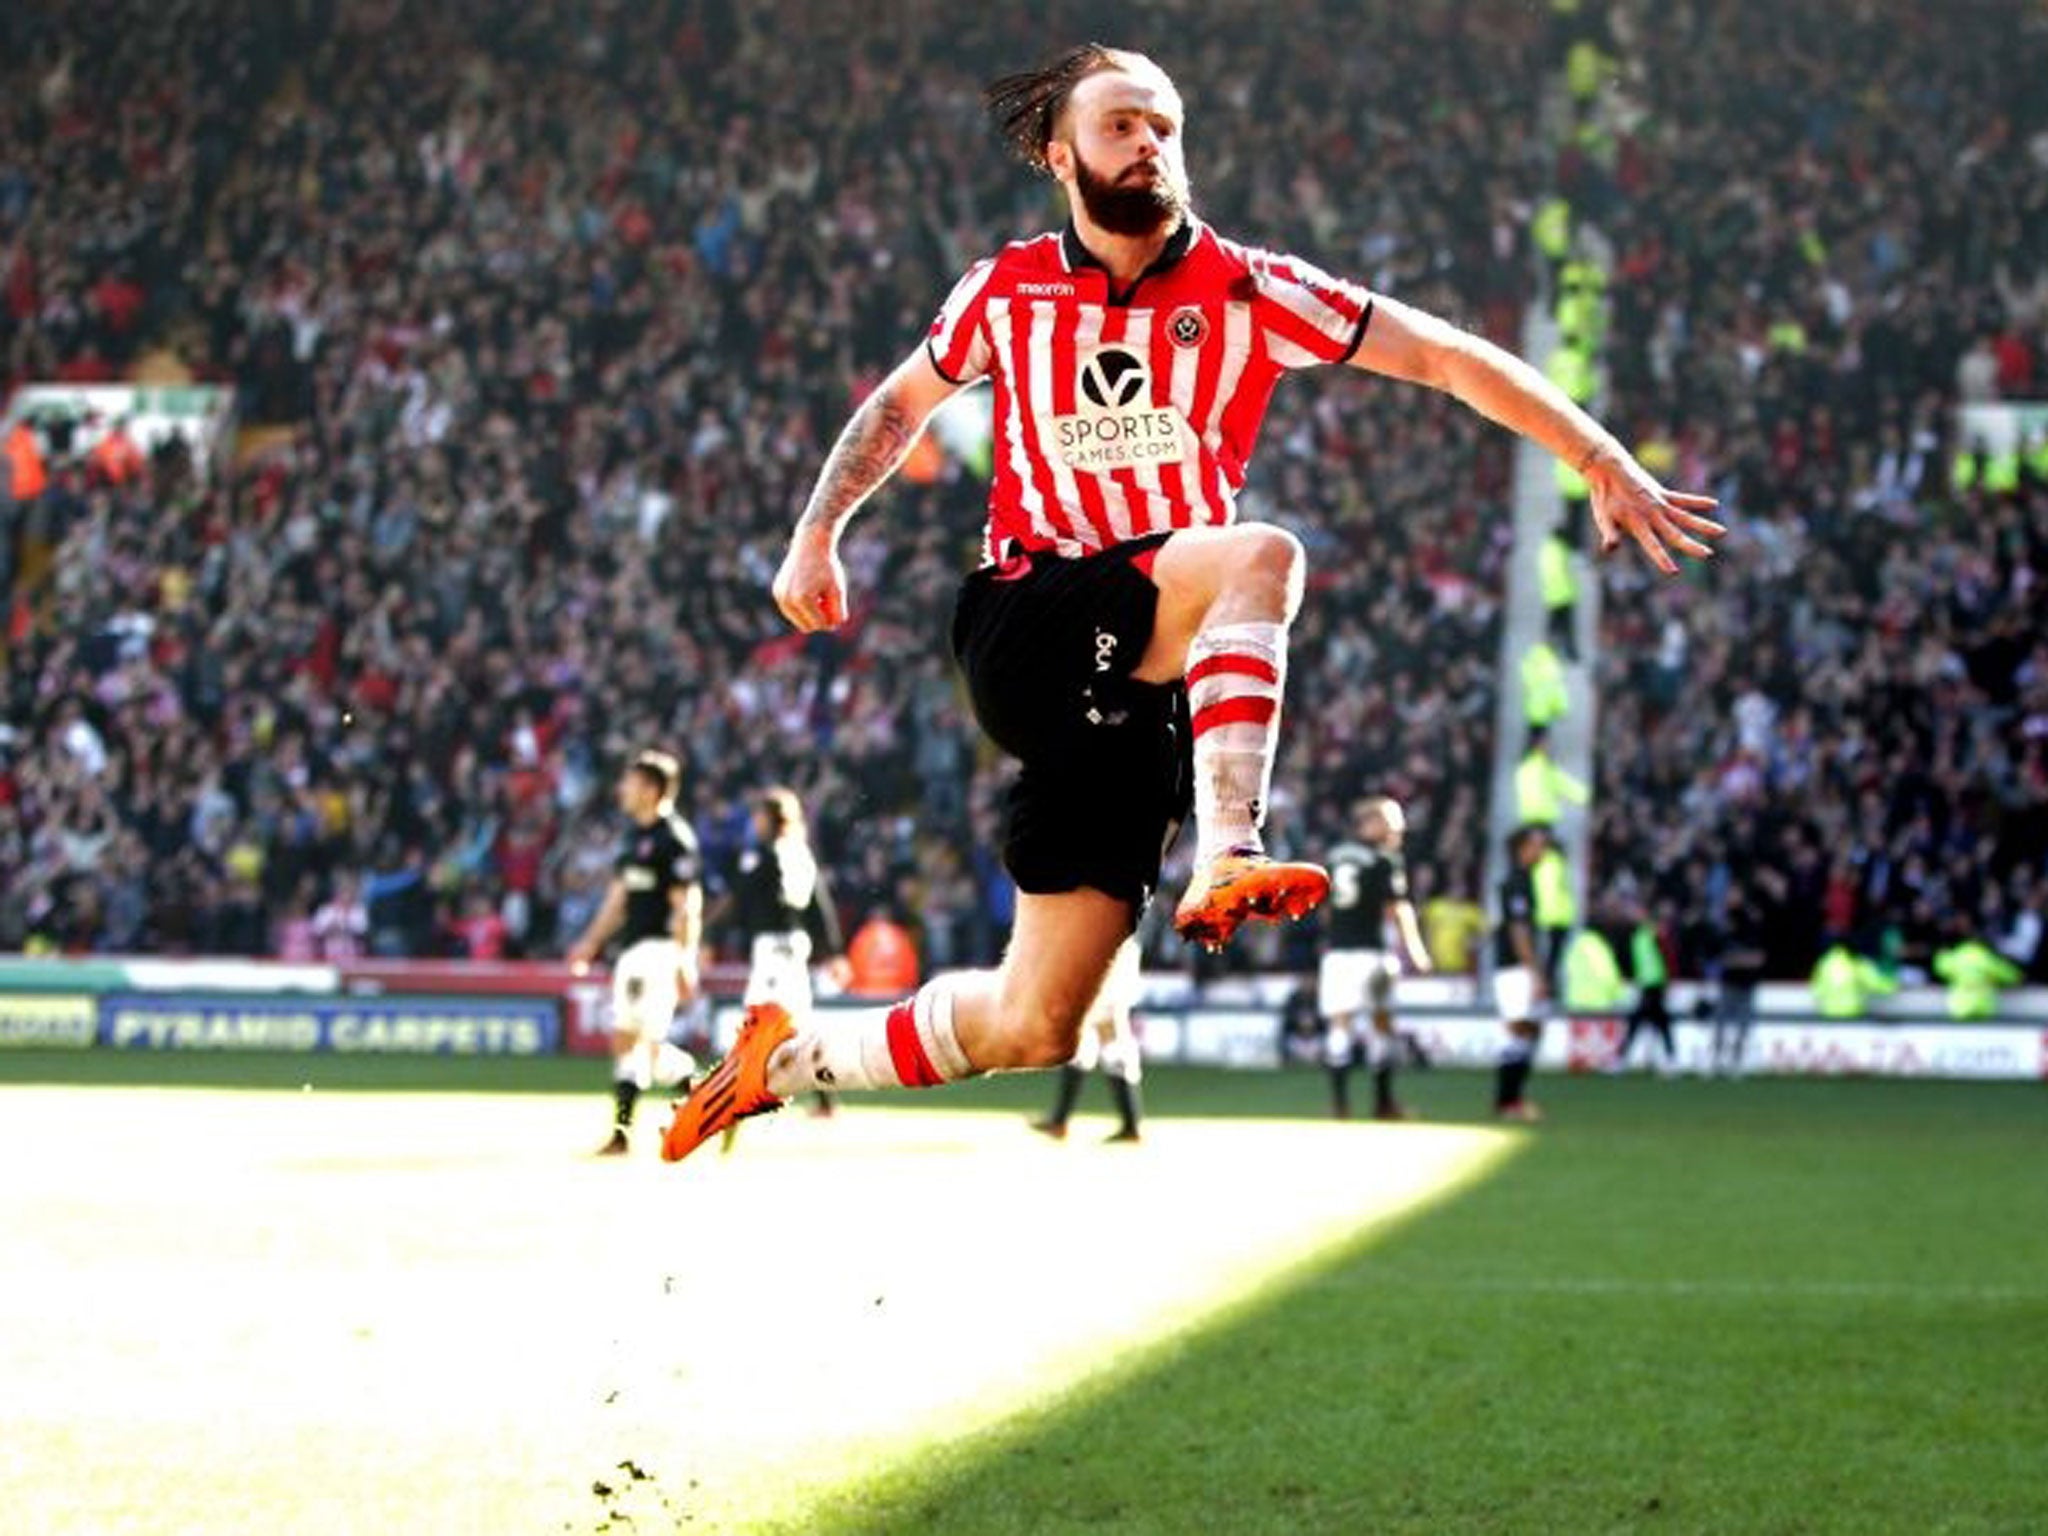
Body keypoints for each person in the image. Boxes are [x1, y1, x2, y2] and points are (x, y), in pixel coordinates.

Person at [662, 43, 1721, 1164]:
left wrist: (1599, 456)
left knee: (1036, 1023)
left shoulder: (1248, 288)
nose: (1148, 143)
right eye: (1121, 124)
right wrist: (816, 529)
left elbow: (1444, 355)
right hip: (1029, 615)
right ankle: (1230, 848)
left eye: (1163, 125)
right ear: (1060, 153)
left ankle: (779, 1062)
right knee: (1259, 552)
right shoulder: (1005, 289)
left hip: (1138, 689)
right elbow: (896, 406)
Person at [567, 751, 704, 1157]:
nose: (621, 790)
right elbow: (618, 898)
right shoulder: (633, 838)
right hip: (631, 949)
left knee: (633, 1040)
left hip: (659, 950)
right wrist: (591, 941)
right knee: (636, 1042)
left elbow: (686, 904)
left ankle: (623, 1133)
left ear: (650, 789)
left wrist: (685, 958)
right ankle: (707, 1095)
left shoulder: (674, 840)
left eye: (629, 783)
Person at [724, 786, 848, 1117]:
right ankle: (825, 1101)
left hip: (774, 948)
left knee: (754, 1022)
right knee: (801, 1026)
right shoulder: (801, 855)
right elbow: (819, 907)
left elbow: (744, 899)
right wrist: (834, 950)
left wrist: (720, 933)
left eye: (759, 815)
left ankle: (738, 1096)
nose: (755, 821)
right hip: (795, 947)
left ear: (770, 818)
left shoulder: (766, 854)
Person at [1318, 796, 1431, 1121]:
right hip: (1371, 954)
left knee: (1341, 1026)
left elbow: (1326, 908)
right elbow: (1400, 908)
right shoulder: (1385, 859)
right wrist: (1417, 952)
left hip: (1337, 954)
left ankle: (1339, 1105)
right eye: (1392, 820)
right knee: (1381, 1025)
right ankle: (1384, 1104)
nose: (1400, 827)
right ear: (1370, 823)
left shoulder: (1335, 856)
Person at [1030, 935, 1145, 1144]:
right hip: (1108, 952)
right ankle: (1060, 1120)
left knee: (1109, 1038)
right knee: (1084, 1041)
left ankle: (1131, 1125)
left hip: (1110, 953)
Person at [1492, 826, 1550, 1121]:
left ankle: (1511, 1099)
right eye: (1538, 844)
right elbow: (1518, 930)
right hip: (1515, 967)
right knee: (1517, 1030)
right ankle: (1508, 1102)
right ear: (1522, 848)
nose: (1543, 850)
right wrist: (1535, 971)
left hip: (1517, 967)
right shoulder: (1517, 883)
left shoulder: (1524, 880)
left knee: (1528, 1031)